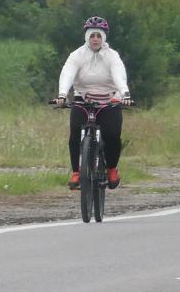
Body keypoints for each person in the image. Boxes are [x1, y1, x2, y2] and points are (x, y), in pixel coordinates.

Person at [56, 16, 132, 190]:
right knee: (75, 132)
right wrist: (62, 95)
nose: (95, 39)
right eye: (92, 36)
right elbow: (67, 74)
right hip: (83, 99)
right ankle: (76, 172)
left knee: (112, 135)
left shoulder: (112, 56)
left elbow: (119, 76)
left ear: (104, 37)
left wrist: (125, 94)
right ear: (86, 37)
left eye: (99, 35)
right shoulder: (77, 55)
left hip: (109, 100)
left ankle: (112, 168)